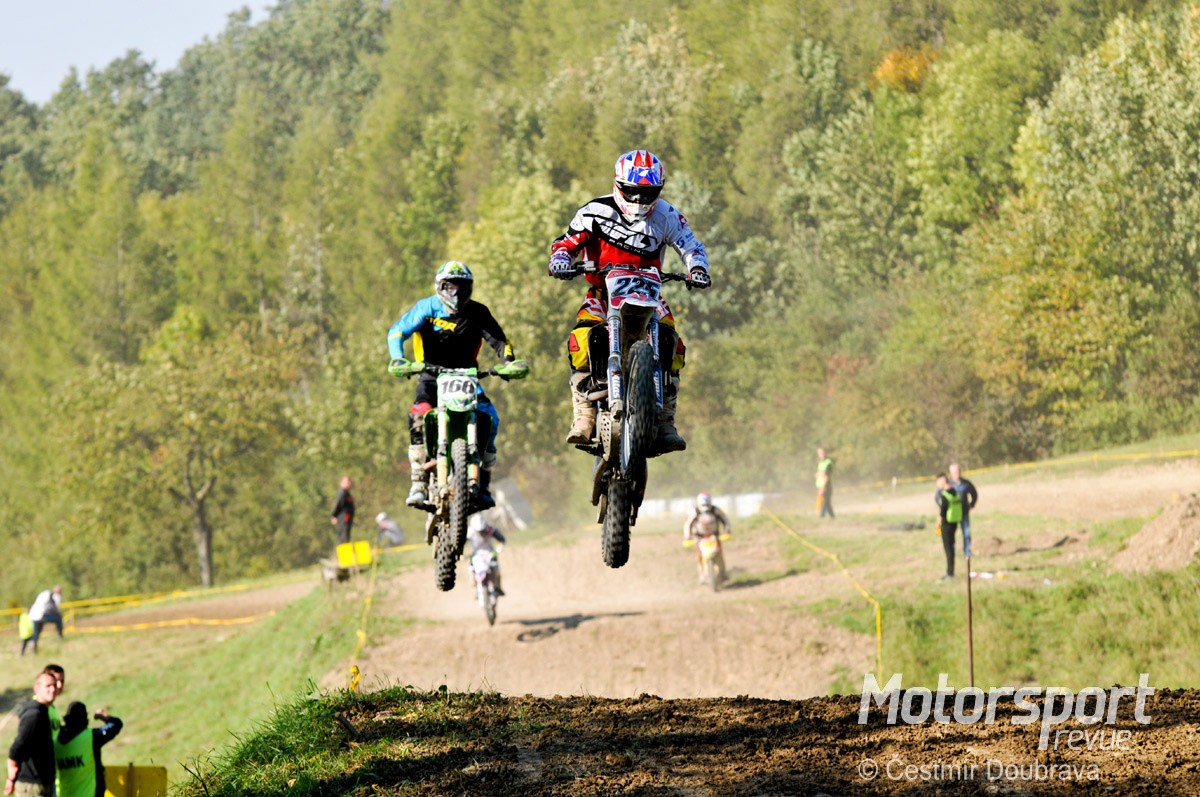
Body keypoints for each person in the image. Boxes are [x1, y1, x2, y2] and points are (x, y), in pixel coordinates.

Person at [547, 149, 711, 453]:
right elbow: (565, 243)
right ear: (618, 184)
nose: (638, 200)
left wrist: (698, 268)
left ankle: (666, 419)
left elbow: (691, 246)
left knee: (673, 343)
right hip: (602, 293)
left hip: (650, 293)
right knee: (580, 339)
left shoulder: (667, 215)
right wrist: (560, 260)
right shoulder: (594, 211)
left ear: (658, 190)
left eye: (647, 193)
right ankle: (584, 413)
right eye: (632, 191)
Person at [387, 261, 528, 509]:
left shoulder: (478, 312)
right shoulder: (426, 308)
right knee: (418, 416)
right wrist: (398, 358)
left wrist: (509, 362)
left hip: (467, 378)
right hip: (430, 376)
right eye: (450, 287)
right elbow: (397, 331)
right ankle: (418, 482)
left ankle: (483, 483)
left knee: (491, 418)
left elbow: (500, 341)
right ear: (439, 286)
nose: (456, 293)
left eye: (462, 287)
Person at [54, 702, 122, 797]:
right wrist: (103, 716)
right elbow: (116, 724)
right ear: (85, 718)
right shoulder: (91, 737)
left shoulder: (56, 740)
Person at [6, 671, 58, 796]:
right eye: (48, 686)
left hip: (44, 782)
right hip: (31, 785)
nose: (53, 689)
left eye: (54, 685)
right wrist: (11, 772)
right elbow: (18, 745)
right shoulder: (34, 714)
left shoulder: (44, 711)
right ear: (37, 688)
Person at [683, 492, 732, 582]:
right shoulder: (695, 511)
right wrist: (687, 537)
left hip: (714, 536)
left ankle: (722, 572)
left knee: (719, 553)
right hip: (699, 537)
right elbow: (688, 524)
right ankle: (701, 573)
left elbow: (725, 519)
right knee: (698, 555)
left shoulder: (715, 510)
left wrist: (727, 530)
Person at [935, 473, 964, 581]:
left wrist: (937, 524)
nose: (937, 484)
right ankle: (951, 571)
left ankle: (949, 573)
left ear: (943, 481)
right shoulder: (955, 492)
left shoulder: (945, 495)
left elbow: (942, 513)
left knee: (948, 550)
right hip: (954, 522)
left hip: (946, 525)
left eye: (938, 482)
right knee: (951, 548)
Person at [467, 517, 507, 596]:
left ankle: (498, 587)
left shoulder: (490, 529)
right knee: (471, 569)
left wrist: (500, 546)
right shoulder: (469, 532)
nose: (481, 533)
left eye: (482, 531)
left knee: (496, 569)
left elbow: (502, 539)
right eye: (479, 532)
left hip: (490, 553)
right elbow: (460, 543)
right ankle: (476, 587)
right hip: (476, 554)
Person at [948, 462, 979, 560]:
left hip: (964, 513)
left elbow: (974, 493)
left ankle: (967, 552)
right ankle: (951, 553)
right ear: (950, 473)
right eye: (955, 472)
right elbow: (938, 496)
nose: (957, 473)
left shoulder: (966, 483)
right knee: (951, 534)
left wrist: (971, 505)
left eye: (958, 471)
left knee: (966, 533)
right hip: (952, 515)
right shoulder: (948, 484)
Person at [26, 587, 63, 654]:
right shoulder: (55, 596)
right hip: (42, 615)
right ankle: (60, 636)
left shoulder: (44, 593)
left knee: (36, 632)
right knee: (58, 619)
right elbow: (56, 608)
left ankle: (33, 644)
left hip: (33, 615)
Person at [329, 475, 355, 546]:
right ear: (342, 482)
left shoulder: (346, 493)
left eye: (349, 482)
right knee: (343, 537)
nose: (349, 483)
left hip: (347, 518)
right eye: (347, 482)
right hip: (344, 518)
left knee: (346, 536)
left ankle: (345, 551)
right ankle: (343, 552)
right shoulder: (341, 492)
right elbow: (338, 504)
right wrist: (334, 515)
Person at [815, 448, 835, 519]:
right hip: (820, 485)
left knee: (825, 501)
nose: (821, 454)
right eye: (819, 453)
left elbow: (827, 476)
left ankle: (821, 516)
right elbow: (820, 473)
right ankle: (832, 516)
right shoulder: (820, 463)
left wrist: (823, 488)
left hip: (826, 485)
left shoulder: (828, 463)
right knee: (827, 502)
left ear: (826, 453)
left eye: (822, 453)